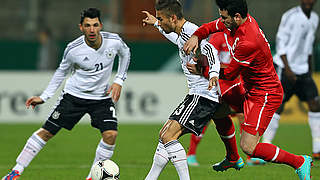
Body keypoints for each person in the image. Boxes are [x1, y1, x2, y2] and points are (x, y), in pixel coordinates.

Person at [183, 0, 313, 179]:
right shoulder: (235, 22)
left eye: (224, 17)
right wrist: (196, 35)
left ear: (237, 16)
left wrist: (202, 70)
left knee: (249, 147)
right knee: (217, 109)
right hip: (249, 88)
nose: (221, 20)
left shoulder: (248, 41)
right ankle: (232, 158)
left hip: (264, 94)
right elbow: (210, 27)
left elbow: (228, 74)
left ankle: (299, 161)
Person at [2, 8, 131, 180]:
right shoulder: (73, 49)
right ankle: (16, 171)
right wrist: (44, 97)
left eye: (95, 25)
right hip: (74, 97)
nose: (92, 30)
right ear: (81, 27)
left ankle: (92, 177)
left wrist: (119, 80)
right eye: (87, 26)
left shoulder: (114, 41)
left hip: (101, 98)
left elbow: (126, 53)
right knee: (47, 132)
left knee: (111, 134)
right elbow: (61, 73)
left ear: (100, 25)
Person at [142, 0, 243, 179]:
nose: (160, 21)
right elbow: (176, 39)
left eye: (161, 18)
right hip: (199, 95)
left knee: (168, 136)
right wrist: (157, 24)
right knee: (164, 136)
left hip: (203, 95)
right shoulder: (181, 33)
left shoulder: (191, 31)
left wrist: (212, 73)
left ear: (173, 18)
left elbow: (210, 50)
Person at [186, 32, 266, 166]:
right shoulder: (218, 37)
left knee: (243, 115)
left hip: (234, 81)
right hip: (219, 81)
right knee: (209, 115)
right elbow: (210, 60)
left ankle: (249, 155)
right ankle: (191, 154)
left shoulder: (242, 37)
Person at [262, 0, 320, 161]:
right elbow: (281, 43)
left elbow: (308, 47)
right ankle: (265, 146)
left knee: (315, 104)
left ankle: (317, 148)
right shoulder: (290, 16)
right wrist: (287, 68)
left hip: (303, 71)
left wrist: (310, 70)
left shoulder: (314, 18)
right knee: (278, 105)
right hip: (285, 67)